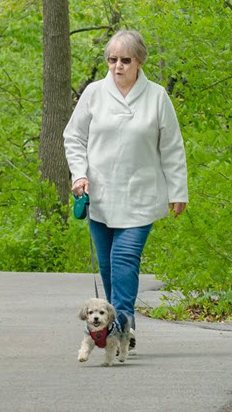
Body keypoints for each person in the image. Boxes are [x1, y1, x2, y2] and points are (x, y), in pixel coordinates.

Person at [63, 30, 188, 340]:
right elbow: (73, 136)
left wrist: (178, 190)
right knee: (107, 265)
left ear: (139, 61)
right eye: (112, 60)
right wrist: (79, 174)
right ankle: (120, 321)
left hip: (141, 194)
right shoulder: (93, 93)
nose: (117, 66)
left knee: (124, 260)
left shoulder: (157, 96)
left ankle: (121, 326)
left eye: (125, 60)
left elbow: (171, 146)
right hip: (100, 194)